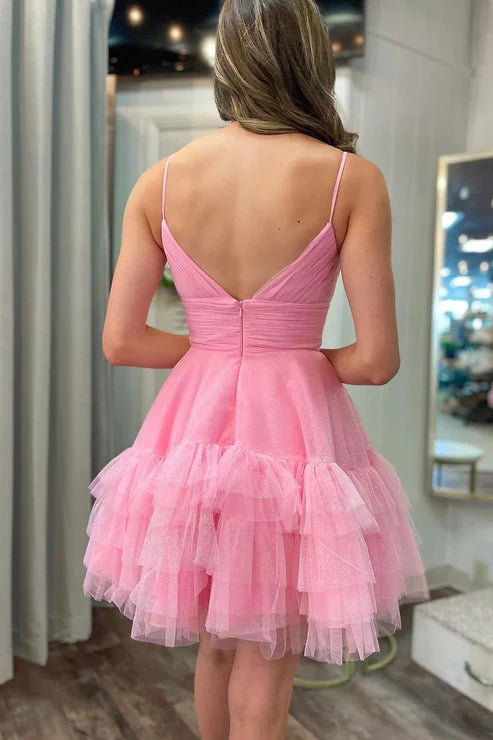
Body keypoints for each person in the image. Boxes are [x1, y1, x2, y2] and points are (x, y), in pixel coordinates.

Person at [83, 1, 430, 738]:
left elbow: (122, 341)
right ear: (311, 56)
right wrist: (286, 353)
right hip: (293, 432)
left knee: (218, 640)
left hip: (193, 429)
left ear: (228, 59)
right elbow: (375, 361)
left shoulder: (160, 182)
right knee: (271, 651)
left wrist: (218, 349)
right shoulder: (349, 179)